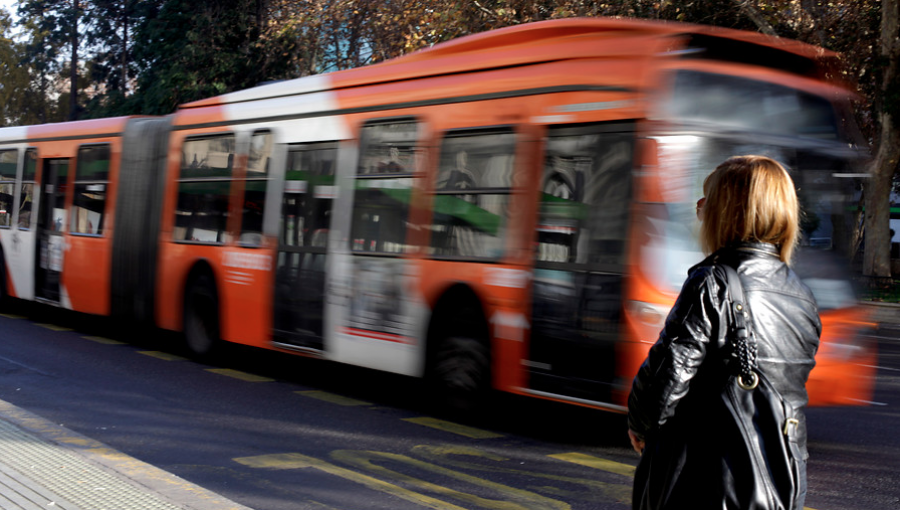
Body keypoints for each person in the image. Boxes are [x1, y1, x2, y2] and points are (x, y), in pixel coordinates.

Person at [627, 155, 821, 510]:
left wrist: (640, 424)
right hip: (781, 480)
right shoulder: (802, 294)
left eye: (707, 200)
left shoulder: (712, 282)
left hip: (711, 482)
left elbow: (666, 378)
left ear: (728, 210)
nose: (699, 208)